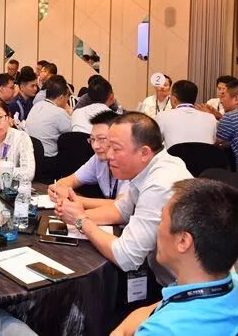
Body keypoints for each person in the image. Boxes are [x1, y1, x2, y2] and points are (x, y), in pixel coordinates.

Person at [55, 113, 192, 286]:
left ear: (144, 153)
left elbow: (126, 257)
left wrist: (81, 221)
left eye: (116, 148)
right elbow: (121, 210)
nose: (109, 155)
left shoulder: (159, 184)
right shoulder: (148, 168)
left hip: (187, 290)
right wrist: (73, 214)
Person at [112, 179, 238, 336]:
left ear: (183, 241)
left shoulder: (163, 330)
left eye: (162, 220)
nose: (158, 229)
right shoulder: (235, 283)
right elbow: (154, 310)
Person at [49, 110, 129, 206]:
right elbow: (72, 180)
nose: (95, 146)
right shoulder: (98, 159)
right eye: (92, 139)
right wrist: (56, 189)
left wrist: (74, 199)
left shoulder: (130, 163)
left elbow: (121, 206)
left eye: (101, 139)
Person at [25, 75, 71, 177]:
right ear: (61, 97)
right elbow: (71, 135)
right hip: (48, 161)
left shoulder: (37, 105)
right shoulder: (59, 112)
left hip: (31, 157)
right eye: (67, 97)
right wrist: (69, 112)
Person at [157, 80, 217, 149]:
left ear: (174, 99)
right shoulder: (211, 118)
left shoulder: (162, 116)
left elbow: (154, 143)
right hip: (204, 156)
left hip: (173, 156)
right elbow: (213, 142)